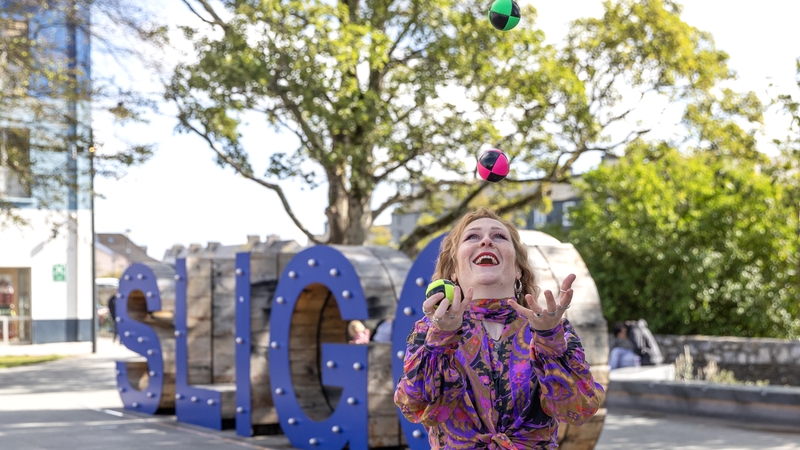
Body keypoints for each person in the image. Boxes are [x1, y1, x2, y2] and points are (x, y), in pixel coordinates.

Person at [394, 207, 604, 449]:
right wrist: (442, 337)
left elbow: (579, 410)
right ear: (453, 269)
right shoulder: (428, 330)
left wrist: (549, 339)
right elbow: (415, 407)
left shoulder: (551, 327)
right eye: (472, 236)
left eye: (499, 236)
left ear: (517, 269)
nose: (486, 241)